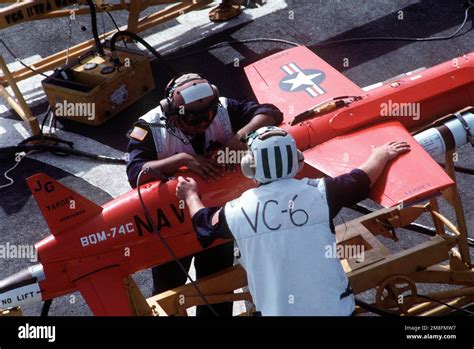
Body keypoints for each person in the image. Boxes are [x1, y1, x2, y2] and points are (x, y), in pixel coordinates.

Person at [175, 126, 411, 316]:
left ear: (250, 167)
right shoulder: (321, 193)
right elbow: (360, 180)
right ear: (296, 160)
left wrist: (190, 195)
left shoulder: (236, 211)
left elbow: (204, 224)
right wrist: (380, 154)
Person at [126, 73, 283, 316]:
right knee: (169, 291)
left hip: (215, 216)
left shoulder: (223, 108)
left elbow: (271, 112)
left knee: (217, 290)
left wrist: (239, 137)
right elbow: (136, 173)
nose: (201, 124)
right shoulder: (147, 128)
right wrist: (181, 160)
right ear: (173, 111)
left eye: (207, 116)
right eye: (192, 119)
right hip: (172, 224)